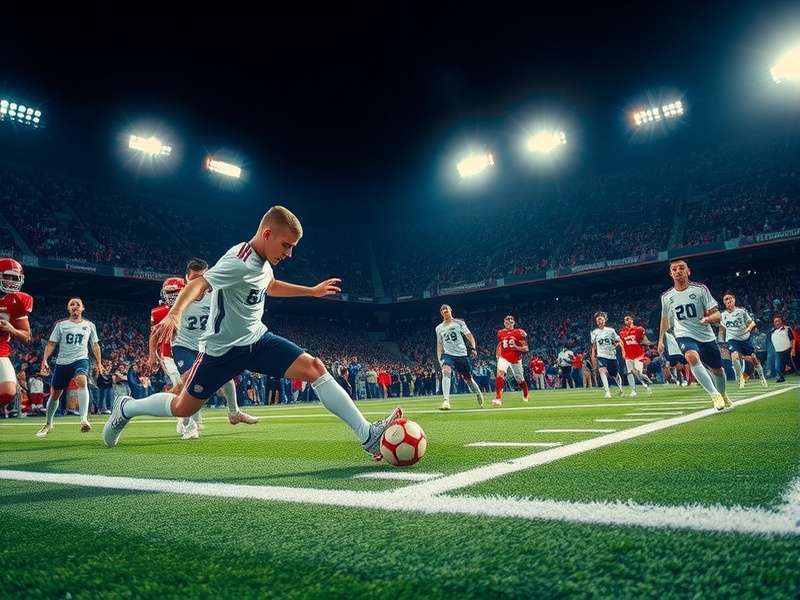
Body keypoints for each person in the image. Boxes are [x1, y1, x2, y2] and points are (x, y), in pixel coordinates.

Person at [104, 206, 401, 461]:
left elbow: (269, 286)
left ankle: (367, 436)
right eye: (286, 245)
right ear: (268, 234)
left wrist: (310, 291)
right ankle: (126, 407)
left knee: (315, 368)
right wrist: (175, 313)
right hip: (220, 352)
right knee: (182, 406)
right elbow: (198, 285)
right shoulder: (238, 260)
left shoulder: (264, 262)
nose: (290, 253)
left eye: (293, 247)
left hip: (257, 340)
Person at [657, 259, 729, 410]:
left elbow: (718, 315)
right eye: (674, 269)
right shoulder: (666, 297)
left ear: (688, 271)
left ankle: (722, 395)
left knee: (718, 370)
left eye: (681, 268)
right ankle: (714, 394)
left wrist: (708, 318)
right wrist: (660, 340)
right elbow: (664, 319)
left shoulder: (700, 289)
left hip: (706, 335)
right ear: (670, 274)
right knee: (691, 357)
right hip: (683, 333)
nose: (678, 271)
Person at [37, 297, 105, 436]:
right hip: (62, 362)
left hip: (80, 359)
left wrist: (99, 362)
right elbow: (51, 343)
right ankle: (48, 423)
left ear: (82, 308)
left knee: (81, 380)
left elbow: (95, 345)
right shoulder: (61, 325)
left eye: (77, 304)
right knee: (55, 394)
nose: (74, 306)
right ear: (68, 309)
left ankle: (84, 419)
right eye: (71, 304)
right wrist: (44, 359)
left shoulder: (89, 325)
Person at [435, 304, 485, 410]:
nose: (444, 311)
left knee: (468, 380)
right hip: (448, 355)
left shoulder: (459, 322)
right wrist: (440, 358)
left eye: (446, 309)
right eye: (442, 310)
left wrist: (473, 348)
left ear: (450, 310)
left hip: (461, 355)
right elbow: (439, 344)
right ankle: (446, 401)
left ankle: (478, 393)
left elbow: (469, 336)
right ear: (441, 313)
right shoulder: (438, 328)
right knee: (446, 371)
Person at [0, 258, 33, 412]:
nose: (12, 282)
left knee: (7, 392)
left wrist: (12, 329)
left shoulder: (19, 300)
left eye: (16, 278)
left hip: (1, 349)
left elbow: (26, 336)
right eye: (8, 276)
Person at [719, 292, 767, 388]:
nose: (728, 301)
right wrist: (722, 342)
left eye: (730, 299)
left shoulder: (741, 312)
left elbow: (752, 323)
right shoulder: (722, 315)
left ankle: (762, 378)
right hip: (732, 339)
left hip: (745, 339)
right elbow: (722, 329)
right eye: (726, 299)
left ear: (734, 300)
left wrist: (748, 329)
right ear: (724, 302)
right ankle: (740, 378)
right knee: (735, 357)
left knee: (754, 360)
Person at [494, 315, 529, 406]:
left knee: (520, 380)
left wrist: (516, 347)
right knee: (500, 374)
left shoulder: (518, 332)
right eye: (506, 322)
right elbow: (500, 344)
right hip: (504, 357)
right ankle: (498, 398)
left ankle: (525, 395)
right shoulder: (500, 332)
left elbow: (526, 348)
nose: (507, 324)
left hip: (516, 359)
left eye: (509, 322)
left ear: (513, 322)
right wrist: (497, 353)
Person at [590, 312, 624, 399]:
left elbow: (618, 341)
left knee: (615, 374)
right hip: (601, 355)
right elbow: (594, 346)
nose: (599, 321)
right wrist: (593, 357)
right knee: (602, 370)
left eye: (601, 319)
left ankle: (620, 388)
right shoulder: (594, 332)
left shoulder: (611, 330)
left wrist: (615, 346)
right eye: (598, 320)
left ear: (605, 320)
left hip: (611, 355)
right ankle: (607, 392)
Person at [619, 314, 654, 396]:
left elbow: (644, 340)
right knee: (630, 372)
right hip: (628, 355)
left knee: (638, 372)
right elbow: (622, 343)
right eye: (626, 320)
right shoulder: (622, 332)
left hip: (638, 354)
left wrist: (649, 343)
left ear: (632, 320)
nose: (627, 321)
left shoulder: (638, 329)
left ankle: (646, 380)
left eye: (629, 319)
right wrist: (623, 352)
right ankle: (633, 390)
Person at [769, 315, 795, 383]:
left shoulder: (787, 328)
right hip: (778, 352)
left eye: (778, 321)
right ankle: (781, 377)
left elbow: (792, 339)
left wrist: (793, 349)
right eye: (775, 321)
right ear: (774, 323)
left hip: (788, 350)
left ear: (781, 321)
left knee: (794, 365)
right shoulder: (772, 331)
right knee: (777, 367)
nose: (777, 322)